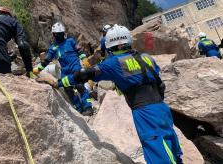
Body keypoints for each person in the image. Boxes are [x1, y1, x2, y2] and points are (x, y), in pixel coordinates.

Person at [42, 24, 183, 164]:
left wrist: (58, 83)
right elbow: (160, 85)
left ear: (110, 45)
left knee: (158, 153)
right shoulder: (147, 57)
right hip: (163, 109)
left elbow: (84, 74)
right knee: (172, 147)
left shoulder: (114, 63)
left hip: (145, 112)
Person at [33, 22, 93, 116]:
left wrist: (84, 59)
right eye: (58, 34)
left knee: (80, 87)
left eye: (61, 33)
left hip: (75, 68)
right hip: (65, 72)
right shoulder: (53, 48)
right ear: (53, 34)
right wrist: (39, 69)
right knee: (68, 90)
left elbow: (79, 51)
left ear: (63, 33)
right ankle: (79, 109)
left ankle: (88, 108)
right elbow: (47, 60)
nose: (60, 35)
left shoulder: (70, 41)